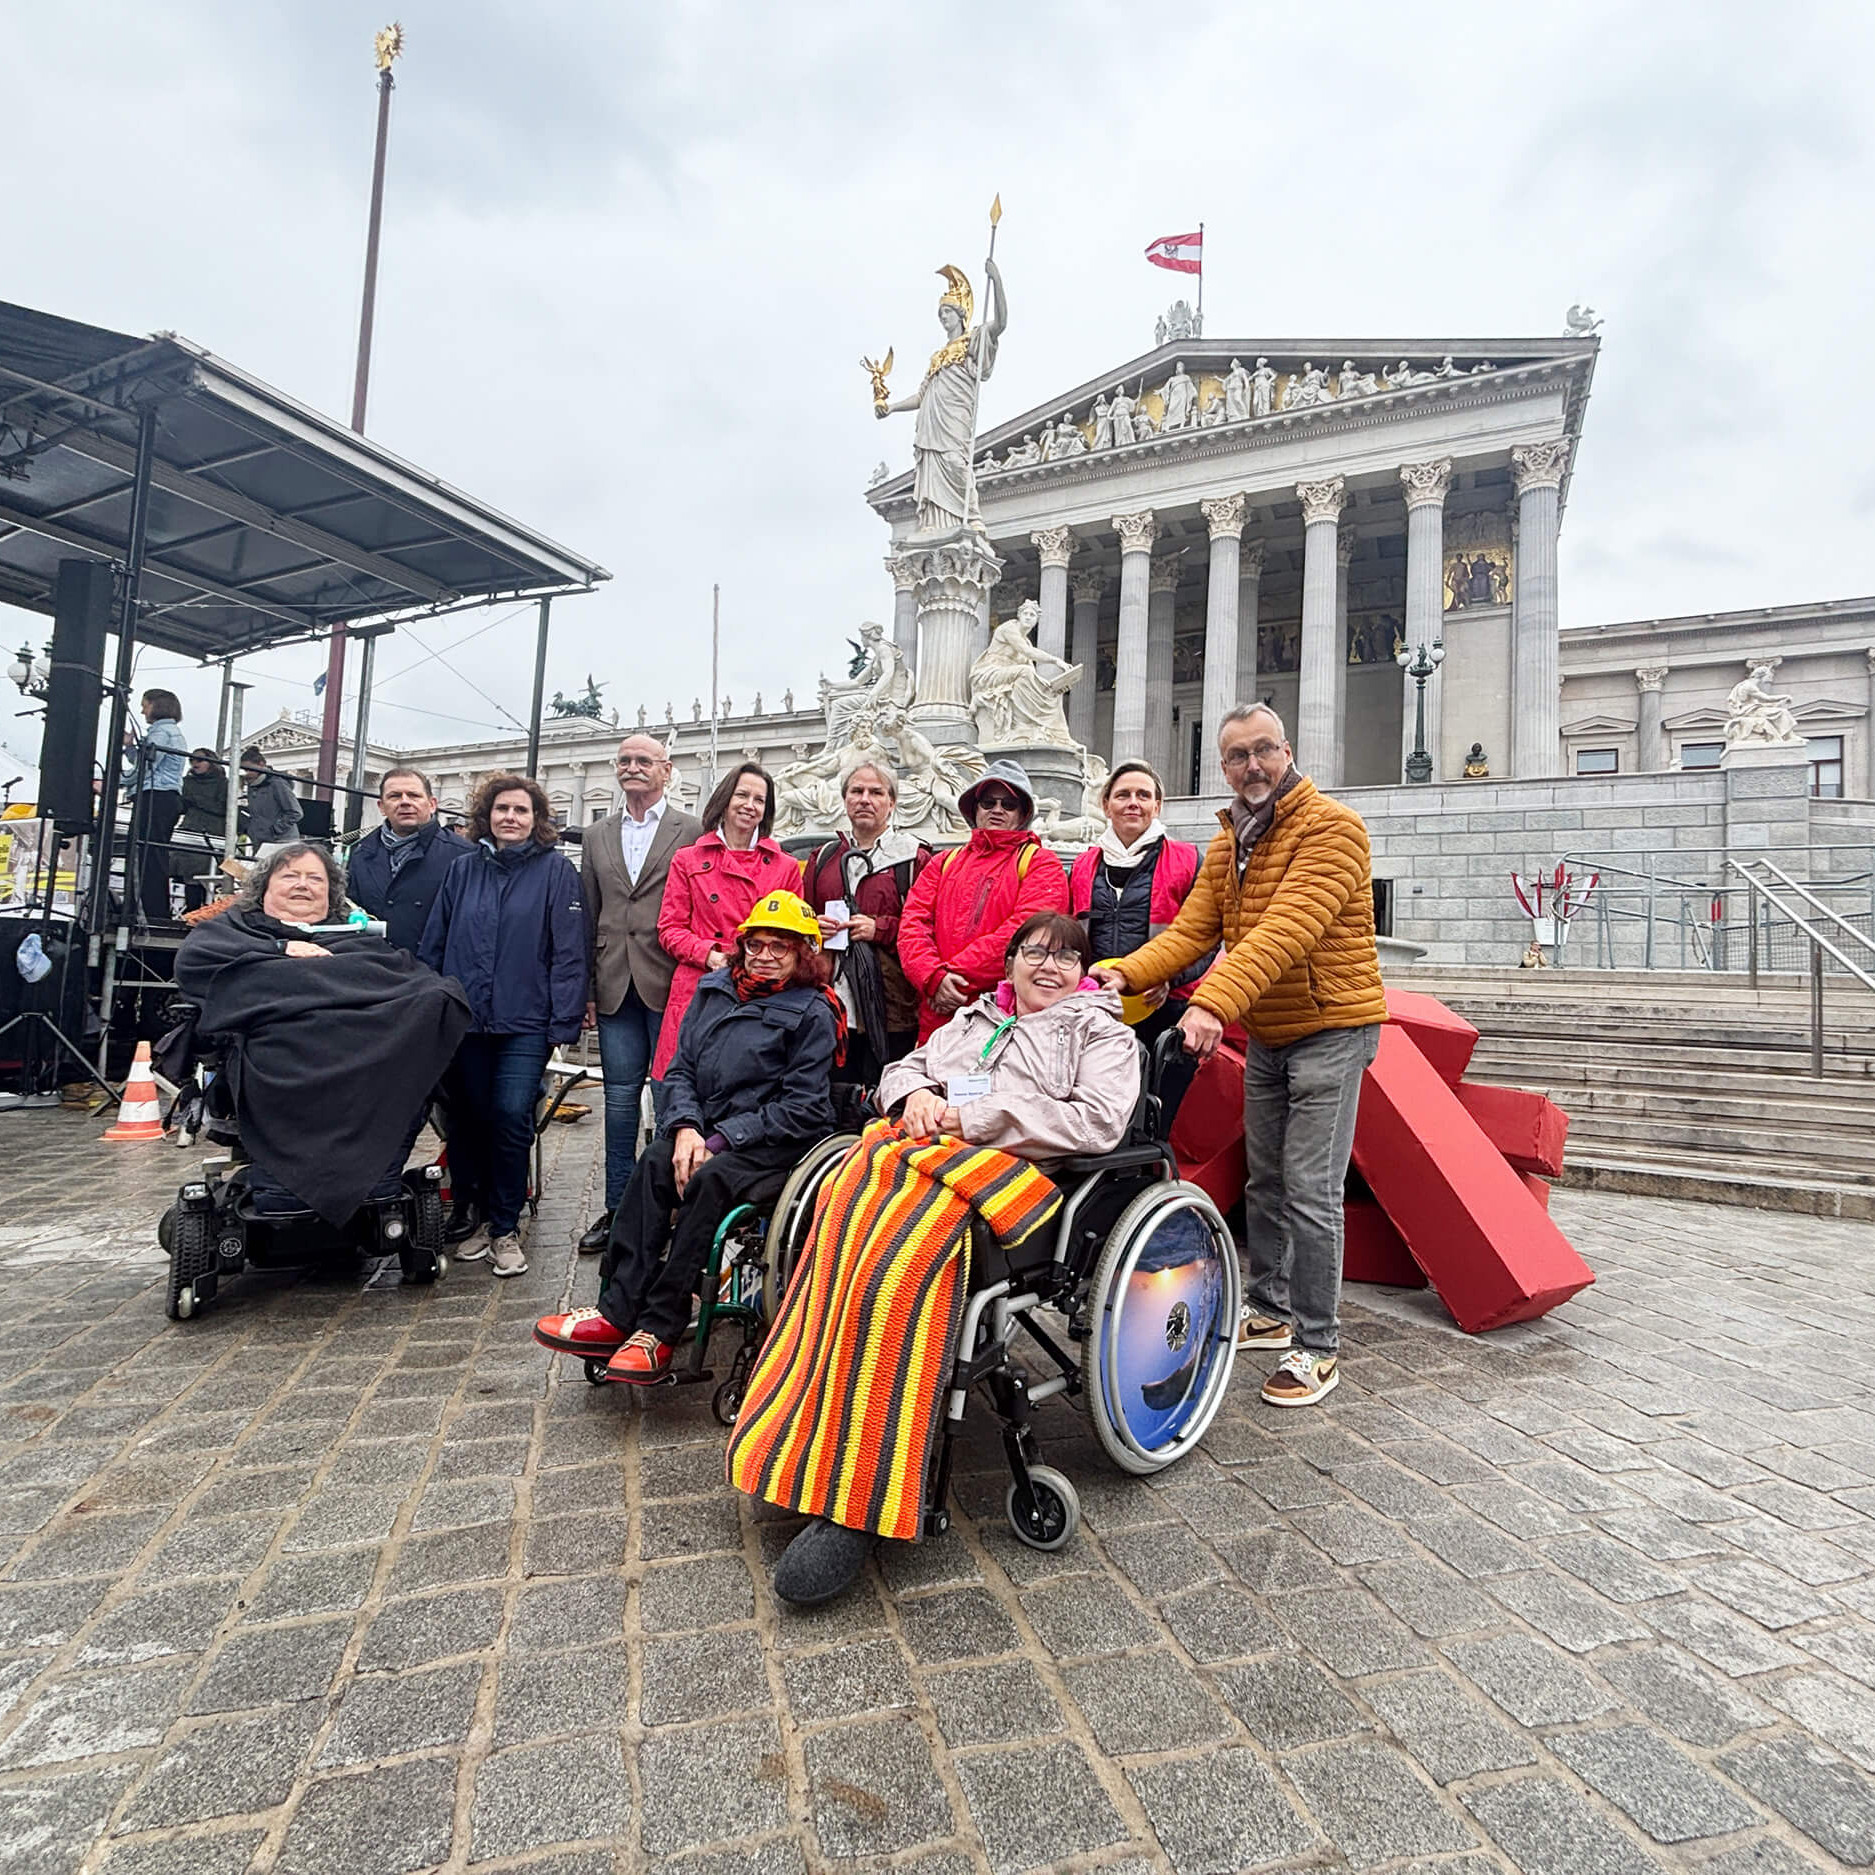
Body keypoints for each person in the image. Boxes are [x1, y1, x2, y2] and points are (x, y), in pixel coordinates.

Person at [728, 912, 1138, 1606]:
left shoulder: (1102, 1032)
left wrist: (969, 1118)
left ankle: (859, 1497)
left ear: (1082, 973)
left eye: (1065, 958)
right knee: (833, 1221)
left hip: (1023, 1178)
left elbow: (1096, 1121)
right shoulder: (972, 1018)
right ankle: (796, 1429)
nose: (1048, 966)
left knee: (896, 1263)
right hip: (924, 1154)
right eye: (1033, 952)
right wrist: (915, 1094)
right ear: (1007, 963)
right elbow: (902, 1068)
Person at [1093, 704, 1386, 1409]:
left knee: (1310, 1189)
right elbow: (1192, 929)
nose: (1250, 765)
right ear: (1220, 766)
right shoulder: (1228, 843)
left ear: (1287, 751)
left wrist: (1210, 1003)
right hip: (1269, 1029)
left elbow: (1282, 931)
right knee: (1264, 1179)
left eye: (1262, 750)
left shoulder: (1333, 829)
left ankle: (1316, 1344)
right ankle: (1270, 1306)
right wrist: (1121, 971)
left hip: (1331, 1025)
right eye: (1235, 756)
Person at [533, 890, 840, 1382]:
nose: (763, 956)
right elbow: (680, 1072)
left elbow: (803, 1108)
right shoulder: (715, 989)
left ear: (803, 953)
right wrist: (686, 1128)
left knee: (709, 1181)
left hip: (771, 1143)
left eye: (779, 947)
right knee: (654, 1162)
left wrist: (717, 1141)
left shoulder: (813, 1011)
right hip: (705, 1128)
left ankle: (659, 1327)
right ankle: (616, 1313)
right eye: (756, 944)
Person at [175, 842, 470, 1221]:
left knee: (435, 998)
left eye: (315, 878)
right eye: (290, 876)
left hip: (370, 1072)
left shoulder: (357, 940)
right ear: (264, 887)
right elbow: (197, 967)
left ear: (330, 893)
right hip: (279, 1070)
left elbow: (413, 983)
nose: (303, 885)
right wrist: (281, 950)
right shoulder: (229, 932)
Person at [419, 773, 588, 1278]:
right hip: (467, 1018)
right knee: (467, 1116)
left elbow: (569, 950)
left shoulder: (556, 872)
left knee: (512, 1115)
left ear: (536, 820)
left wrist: (564, 1019)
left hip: (526, 1020)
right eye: (501, 809)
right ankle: (472, 1212)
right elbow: (435, 940)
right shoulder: (462, 871)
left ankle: (504, 1225)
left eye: (521, 810)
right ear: (486, 817)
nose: (510, 818)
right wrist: (430, 1005)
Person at [576, 734, 702, 1253]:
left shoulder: (690, 830)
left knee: (671, 1097)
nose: (633, 768)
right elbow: (587, 910)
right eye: (625, 761)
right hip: (611, 983)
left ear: (666, 770)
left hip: (669, 980)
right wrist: (585, 986)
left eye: (643, 761)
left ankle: (662, 1211)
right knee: (619, 1100)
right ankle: (616, 1210)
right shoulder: (596, 834)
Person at [1067, 759, 1206, 1127]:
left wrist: (1167, 978)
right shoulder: (1084, 865)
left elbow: (1208, 936)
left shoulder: (1188, 859)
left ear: (1157, 806)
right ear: (1106, 805)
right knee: (1101, 1105)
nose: (1134, 802)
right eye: (1123, 795)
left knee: (1157, 1108)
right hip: (1099, 1005)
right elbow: (1072, 933)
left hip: (1165, 1004)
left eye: (1144, 795)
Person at [897, 758, 1068, 1041]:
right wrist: (932, 978)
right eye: (988, 802)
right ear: (974, 809)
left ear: (1023, 813)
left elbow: (1027, 932)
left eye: (1009, 804)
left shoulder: (1042, 863)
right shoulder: (943, 862)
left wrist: (947, 978)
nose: (997, 809)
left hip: (1004, 1014)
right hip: (938, 1015)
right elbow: (912, 925)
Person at [650, 763, 796, 1080]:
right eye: (742, 795)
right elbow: (670, 929)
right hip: (699, 988)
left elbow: (793, 938)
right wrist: (711, 955)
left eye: (759, 799)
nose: (749, 805)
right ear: (725, 799)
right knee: (682, 1092)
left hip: (760, 991)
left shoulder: (785, 866)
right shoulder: (688, 859)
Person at [797, 760, 932, 1086]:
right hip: (832, 998)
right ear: (845, 799)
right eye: (856, 791)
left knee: (884, 1086)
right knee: (834, 1084)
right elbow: (802, 919)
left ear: (891, 803)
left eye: (876, 792)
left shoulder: (915, 858)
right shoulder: (823, 857)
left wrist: (880, 928)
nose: (865, 799)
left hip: (892, 1004)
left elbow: (928, 927)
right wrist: (815, 925)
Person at [346, 768, 475, 957]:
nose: (405, 802)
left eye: (414, 795)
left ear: (432, 804)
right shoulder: (360, 853)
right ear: (381, 806)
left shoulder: (463, 856)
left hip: (432, 973)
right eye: (395, 796)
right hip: (372, 968)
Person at [125, 689, 188, 923]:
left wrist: (115, 782)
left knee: (146, 853)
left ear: (156, 706)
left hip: (155, 795)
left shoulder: (161, 733)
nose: (142, 710)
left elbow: (146, 767)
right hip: (164, 795)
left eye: (145, 705)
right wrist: (131, 748)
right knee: (152, 853)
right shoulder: (170, 732)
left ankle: (146, 909)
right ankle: (151, 908)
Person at [171, 748, 229, 911]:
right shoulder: (186, 782)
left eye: (199, 760)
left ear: (211, 762)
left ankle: (202, 910)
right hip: (190, 829)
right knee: (188, 873)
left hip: (211, 832)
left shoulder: (223, 784)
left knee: (202, 871)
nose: (195, 764)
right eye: (192, 760)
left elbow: (224, 808)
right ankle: (191, 910)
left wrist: (196, 800)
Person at [239, 749, 303, 850]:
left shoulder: (277, 784)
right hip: (260, 841)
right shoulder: (252, 786)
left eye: (249, 769)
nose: (246, 774)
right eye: (244, 770)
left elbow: (295, 812)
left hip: (281, 842)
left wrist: (274, 829)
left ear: (261, 764)